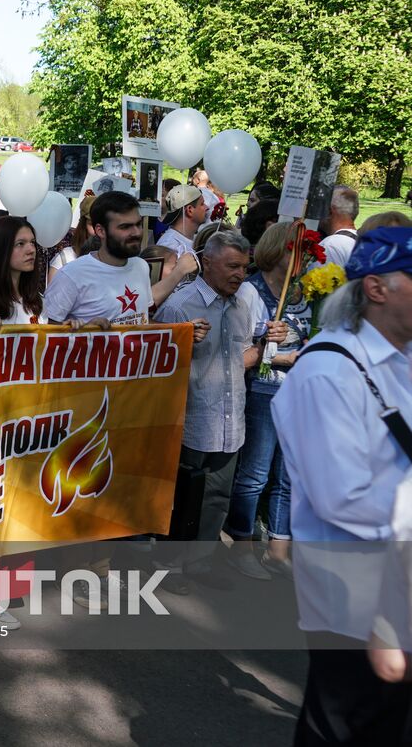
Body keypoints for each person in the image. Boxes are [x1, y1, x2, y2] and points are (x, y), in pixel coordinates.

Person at [272, 227, 412, 745]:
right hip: (355, 594)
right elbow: (342, 496)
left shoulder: (401, 357)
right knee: (347, 724)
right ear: (377, 289)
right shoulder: (329, 371)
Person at [153, 232, 264, 588]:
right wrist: (181, 341)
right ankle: (169, 567)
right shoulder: (180, 306)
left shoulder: (242, 304)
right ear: (209, 263)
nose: (240, 274)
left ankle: (199, 563)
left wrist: (266, 347)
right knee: (183, 497)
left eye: (245, 267)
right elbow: (157, 365)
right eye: (233, 266)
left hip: (230, 420)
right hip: (193, 420)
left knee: (217, 497)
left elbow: (242, 355)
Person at [225, 223, 312, 582]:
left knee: (289, 472)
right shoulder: (251, 290)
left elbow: (309, 331)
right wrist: (280, 357)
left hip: (299, 391)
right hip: (264, 388)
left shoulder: (303, 291)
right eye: (300, 250)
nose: (306, 257)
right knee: (255, 474)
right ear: (280, 251)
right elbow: (236, 350)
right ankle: (241, 542)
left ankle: (278, 548)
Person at [45, 191, 161, 328]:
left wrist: (186, 330)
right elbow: (46, 331)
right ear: (100, 231)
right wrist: (85, 329)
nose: (136, 232)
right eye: (125, 227)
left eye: (138, 224)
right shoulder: (71, 275)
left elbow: (142, 320)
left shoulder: (141, 266)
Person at [157, 184, 208, 259]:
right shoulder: (170, 246)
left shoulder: (191, 238)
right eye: (202, 204)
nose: (207, 207)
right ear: (190, 210)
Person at [319, 185, 360, 268]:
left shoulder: (330, 246)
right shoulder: (362, 241)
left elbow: (316, 280)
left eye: (319, 207)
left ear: (330, 212)